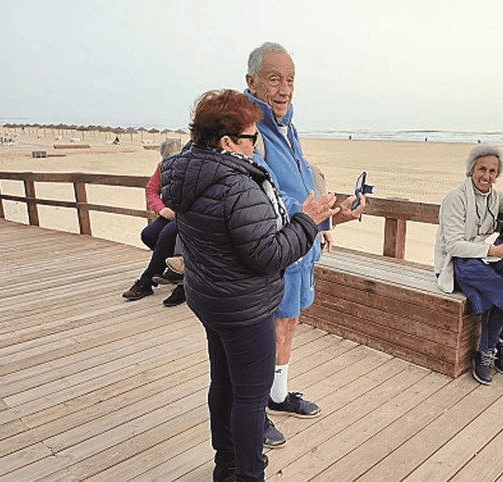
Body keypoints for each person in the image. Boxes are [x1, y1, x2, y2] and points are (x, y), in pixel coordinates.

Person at [161, 89, 338, 482]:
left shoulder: (188, 171)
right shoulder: (237, 185)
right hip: (244, 307)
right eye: (250, 137)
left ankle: (225, 467)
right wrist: (308, 222)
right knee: (250, 398)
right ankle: (248, 474)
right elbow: (267, 255)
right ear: (227, 142)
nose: (256, 145)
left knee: (223, 384)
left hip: (209, 297)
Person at [243, 41, 365, 447]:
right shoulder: (249, 129)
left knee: (289, 323)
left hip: (302, 245)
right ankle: (254, 410)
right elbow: (263, 195)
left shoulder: (287, 126)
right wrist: (313, 213)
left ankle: (277, 395)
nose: (284, 90)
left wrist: (334, 215)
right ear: (251, 82)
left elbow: (300, 185)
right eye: (274, 79)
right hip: (276, 249)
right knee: (267, 332)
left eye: (290, 80)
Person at [434, 144, 503, 385]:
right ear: (471, 169)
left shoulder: (496, 197)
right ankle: (486, 350)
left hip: (481, 260)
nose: (487, 176)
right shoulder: (456, 198)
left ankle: (502, 342)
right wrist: (495, 250)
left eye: (492, 171)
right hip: (456, 264)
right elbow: (454, 246)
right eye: (482, 169)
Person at [122, 138, 186, 307]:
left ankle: (146, 282)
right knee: (149, 234)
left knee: (166, 236)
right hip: (169, 213)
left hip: (186, 215)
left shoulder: (189, 166)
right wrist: (161, 209)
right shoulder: (162, 167)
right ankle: (175, 270)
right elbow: (151, 190)